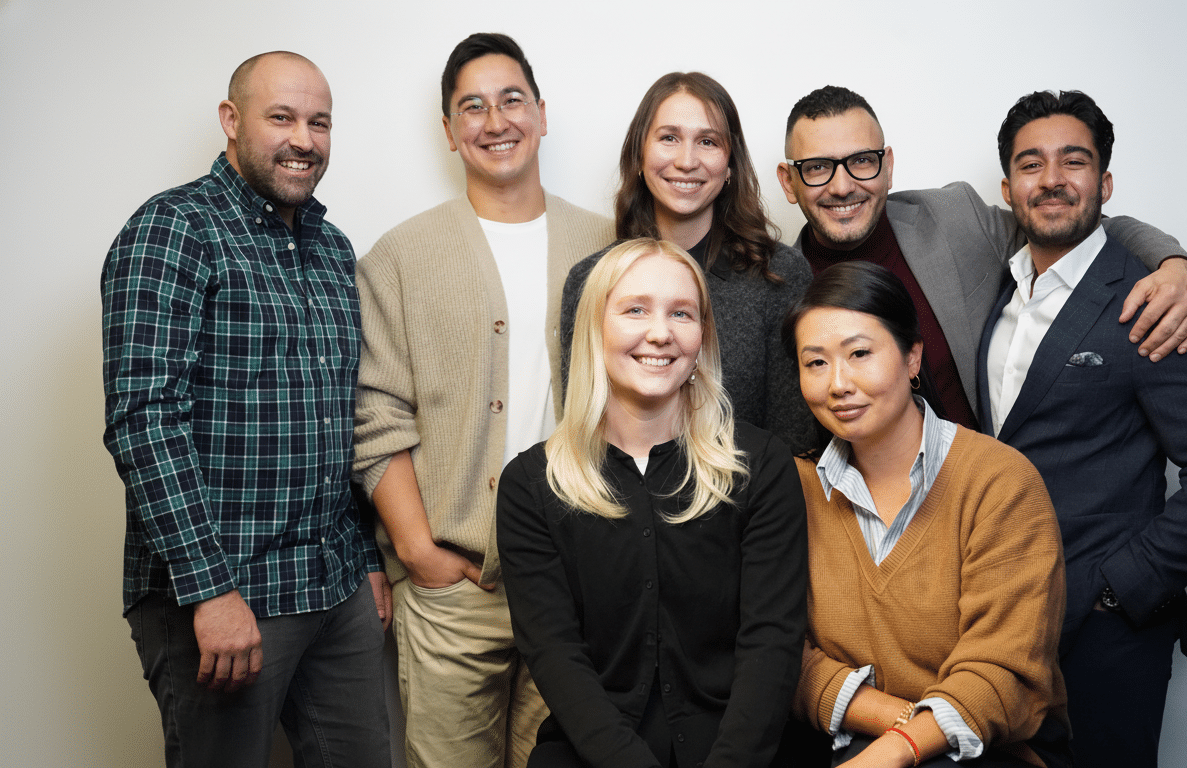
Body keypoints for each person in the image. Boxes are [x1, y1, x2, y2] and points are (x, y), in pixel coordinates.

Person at [101, 51, 391, 767]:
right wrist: (210, 590)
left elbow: (340, 417)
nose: (303, 140)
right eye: (281, 117)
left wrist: (366, 557)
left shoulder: (332, 250)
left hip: (333, 585)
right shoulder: (174, 230)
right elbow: (144, 421)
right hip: (223, 594)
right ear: (231, 121)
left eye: (319, 122)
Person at [354, 33, 613, 768]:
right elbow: (375, 414)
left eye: (511, 100)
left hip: (580, 583)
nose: (495, 121)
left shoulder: (607, 243)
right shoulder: (400, 256)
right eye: (473, 106)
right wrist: (417, 550)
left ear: (541, 114)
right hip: (456, 587)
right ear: (448, 130)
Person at [979, 90, 1187, 768]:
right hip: (1006, 625)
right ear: (1009, 189)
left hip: (1109, 637)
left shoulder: (1154, 302)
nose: (1052, 179)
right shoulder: (1000, 293)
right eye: (1031, 164)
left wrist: (1120, 588)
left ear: (1104, 183)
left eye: (1073, 161)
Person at [498, 239, 808, 768]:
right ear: (594, 328)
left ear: (702, 337)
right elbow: (556, 657)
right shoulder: (531, 484)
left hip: (740, 751)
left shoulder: (761, 465)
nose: (660, 332)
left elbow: (772, 644)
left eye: (681, 313)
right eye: (635, 310)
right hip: (594, 751)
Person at [776, 85, 1187, 430]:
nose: (842, 187)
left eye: (861, 161)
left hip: (991, 488)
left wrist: (1175, 263)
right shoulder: (777, 289)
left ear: (887, 166)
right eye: (817, 168)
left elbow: (1075, 224)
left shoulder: (954, 216)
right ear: (788, 181)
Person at [783, 262, 1069, 768]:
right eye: (816, 363)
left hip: (985, 752)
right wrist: (896, 720)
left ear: (913, 356)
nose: (838, 384)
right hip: (843, 741)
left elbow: (1003, 668)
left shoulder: (999, 481)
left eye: (860, 354)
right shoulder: (791, 488)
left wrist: (898, 749)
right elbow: (777, 650)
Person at [560, 72, 813, 452]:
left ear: (730, 164)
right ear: (639, 155)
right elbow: (583, 429)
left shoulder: (779, 275)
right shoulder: (589, 280)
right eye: (669, 138)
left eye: (707, 141)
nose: (686, 161)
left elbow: (796, 445)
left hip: (751, 489)